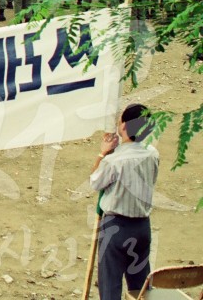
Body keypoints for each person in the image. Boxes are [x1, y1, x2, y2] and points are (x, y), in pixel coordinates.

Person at [89, 104, 159, 300]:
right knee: (140, 289)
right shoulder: (152, 154)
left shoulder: (114, 161)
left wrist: (103, 153)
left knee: (110, 286)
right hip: (143, 228)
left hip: (116, 229)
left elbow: (95, 182)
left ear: (124, 127)